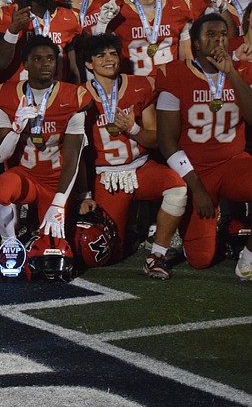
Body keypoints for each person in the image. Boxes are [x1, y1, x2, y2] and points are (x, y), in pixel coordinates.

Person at [79, 36, 186, 278]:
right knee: (106, 255)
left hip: (141, 168)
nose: (109, 59)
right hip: (108, 177)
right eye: (101, 55)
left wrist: (133, 129)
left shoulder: (140, 85)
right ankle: (130, 234)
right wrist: (84, 193)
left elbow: (156, 138)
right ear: (88, 64)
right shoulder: (79, 95)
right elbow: (77, 151)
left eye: (113, 54)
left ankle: (157, 255)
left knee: (178, 189)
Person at [156, 14, 252, 279]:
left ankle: (248, 260)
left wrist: (231, 72)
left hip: (233, 163)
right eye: (210, 34)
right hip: (196, 172)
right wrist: (196, 187)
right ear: (196, 43)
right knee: (200, 260)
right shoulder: (174, 74)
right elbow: (166, 141)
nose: (218, 39)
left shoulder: (242, 70)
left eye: (222, 34)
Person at [0, 36, 92, 250]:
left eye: (50, 59)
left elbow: (73, 156)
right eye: (37, 59)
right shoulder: (7, 94)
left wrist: (59, 202)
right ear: (25, 64)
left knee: (53, 250)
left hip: (56, 181)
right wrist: (16, 129)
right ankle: (9, 243)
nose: (45, 64)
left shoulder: (73, 96)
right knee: (0, 189)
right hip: (24, 176)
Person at [91, 0, 194, 77]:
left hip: (170, 86)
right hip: (134, 87)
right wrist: (101, 26)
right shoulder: (119, 11)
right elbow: (99, 53)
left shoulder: (179, 6)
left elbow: (186, 56)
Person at [0, 0, 82, 82]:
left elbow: (74, 69)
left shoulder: (68, 17)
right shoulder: (4, 14)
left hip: (56, 95)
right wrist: (13, 30)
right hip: (19, 96)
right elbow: (1, 63)